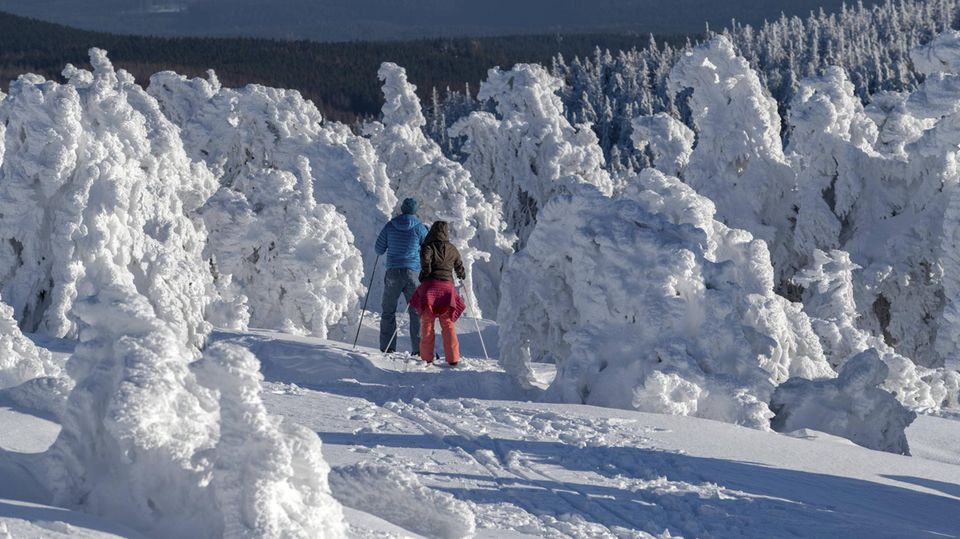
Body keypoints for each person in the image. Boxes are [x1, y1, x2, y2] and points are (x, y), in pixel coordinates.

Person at [375, 198, 429, 353]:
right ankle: (418, 350)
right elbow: (428, 250)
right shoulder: (419, 228)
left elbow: (378, 250)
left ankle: (388, 348)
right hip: (412, 273)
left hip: (393, 273)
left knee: (388, 310)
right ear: (415, 211)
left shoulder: (390, 226)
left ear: (402, 209)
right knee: (417, 311)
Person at [410, 221, 466, 366]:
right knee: (447, 324)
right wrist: (461, 275)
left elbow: (425, 259)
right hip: (447, 290)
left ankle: (427, 357)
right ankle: (453, 358)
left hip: (430, 288)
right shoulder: (452, 249)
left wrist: (426, 272)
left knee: (427, 323)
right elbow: (459, 265)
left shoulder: (428, 247)